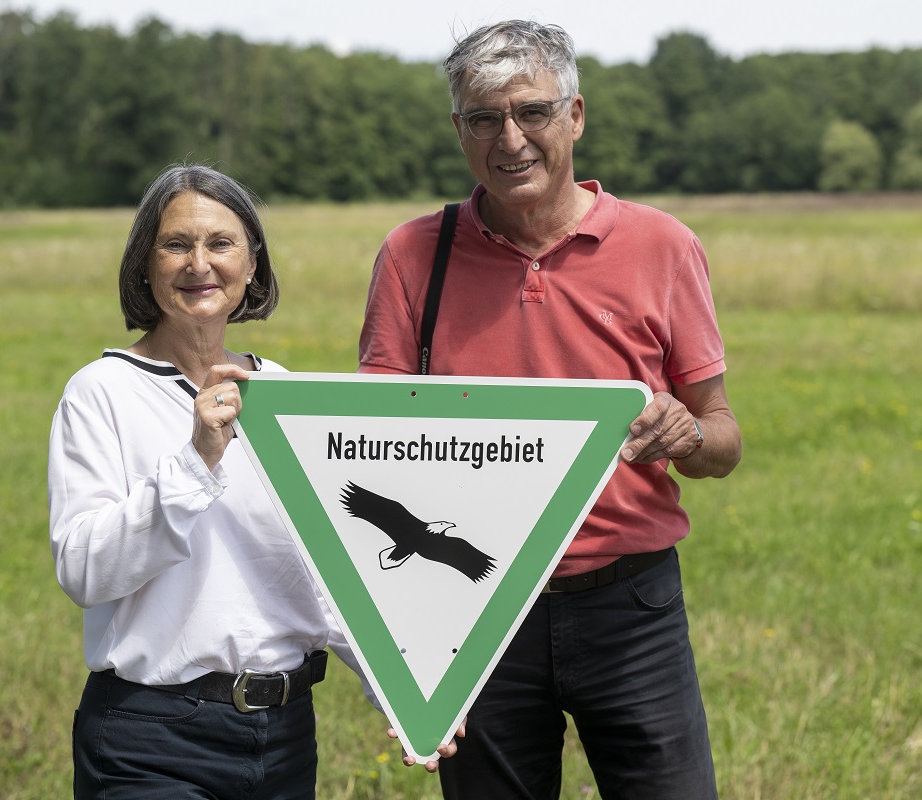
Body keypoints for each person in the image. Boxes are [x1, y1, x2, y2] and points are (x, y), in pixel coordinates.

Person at [358, 20, 742, 800]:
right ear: (459, 131)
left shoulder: (663, 246)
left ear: (574, 116)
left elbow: (724, 437)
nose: (511, 139)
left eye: (532, 112)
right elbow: (371, 445)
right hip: (475, 612)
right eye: (484, 118)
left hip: (630, 605)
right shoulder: (411, 255)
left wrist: (688, 431)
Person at [48, 164, 451, 799]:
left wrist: (404, 695)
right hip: (148, 738)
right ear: (145, 265)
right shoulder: (101, 393)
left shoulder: (285, 394)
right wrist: (196, 459)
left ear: (253, 264)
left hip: (284, 737)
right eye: (176, 244)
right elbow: (83, 570)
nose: (198, 264)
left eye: (221, 243)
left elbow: (328, 571)